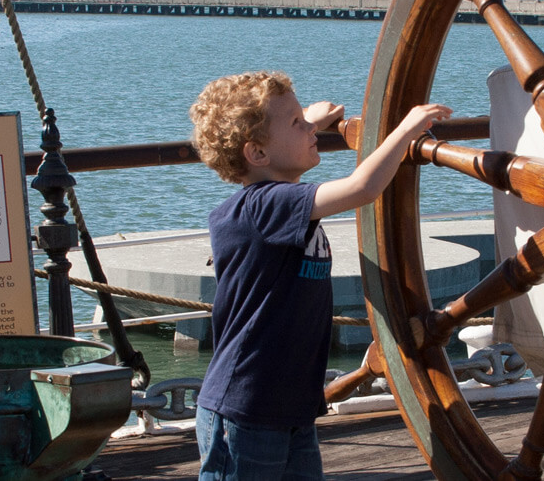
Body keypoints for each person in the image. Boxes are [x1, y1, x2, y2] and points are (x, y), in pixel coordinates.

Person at [187, 71, 450, 480]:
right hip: (247, 409)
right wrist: (406, 128)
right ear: (256, 154)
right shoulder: (266, 206)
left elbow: (273, 145)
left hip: (288, 404)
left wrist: (310, 119)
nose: (310, 129)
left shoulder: (271, 194)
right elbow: (362, 187)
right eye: (297, 124)